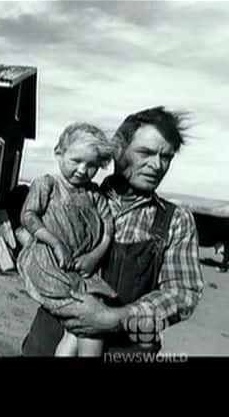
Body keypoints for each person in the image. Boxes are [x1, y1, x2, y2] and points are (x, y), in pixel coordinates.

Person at [21, 106, 204, 357]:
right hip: (47, 342)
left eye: (166, 157)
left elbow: (183, 293)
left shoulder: (176, 220)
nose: (157, 165)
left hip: (124, 349)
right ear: (118, 151)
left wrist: (116, 318)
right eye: (146, 153)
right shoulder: (69, 196)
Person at [16, 123, 118, 356]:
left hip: (82, 269)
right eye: (76, 161)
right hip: (49, 264)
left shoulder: (93, 194)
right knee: (91, 323)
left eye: (91, 165)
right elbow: (28, 216)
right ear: (58, 154)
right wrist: (56, 243)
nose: (82, 170)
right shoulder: (48, 185)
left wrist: (95, 255)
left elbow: (108, 229)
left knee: (77, 330)